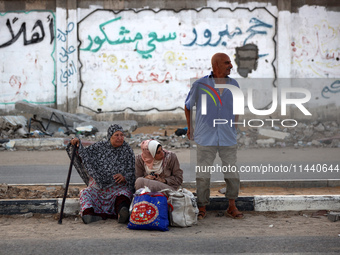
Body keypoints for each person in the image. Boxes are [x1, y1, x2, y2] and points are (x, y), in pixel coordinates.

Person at [184, 52, 244, 220]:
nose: (231, 66)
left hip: (227, 137)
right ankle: (202, 207)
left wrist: (234, 126)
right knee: (203, 174)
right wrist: (190, 128)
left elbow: (238, 107)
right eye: (227, 63)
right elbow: (188, 106)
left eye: (230, 63)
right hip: (206, 137)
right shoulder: (200, 84)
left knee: (232, 172)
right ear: (216, 65)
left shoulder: (234, 85)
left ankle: (232, 206)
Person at [67, 124, 135, 224]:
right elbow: (84, 154)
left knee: (125, 195)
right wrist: (76, 144)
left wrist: (125, 177)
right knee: (85, 193)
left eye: (122, 135)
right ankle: (88, 214)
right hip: (99, 187)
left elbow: (133, 170)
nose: (120, 138)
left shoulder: (127, 150)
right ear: (110, 136)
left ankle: (122, 214)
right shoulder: (99, 147)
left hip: (118, 188)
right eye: (116, 135)